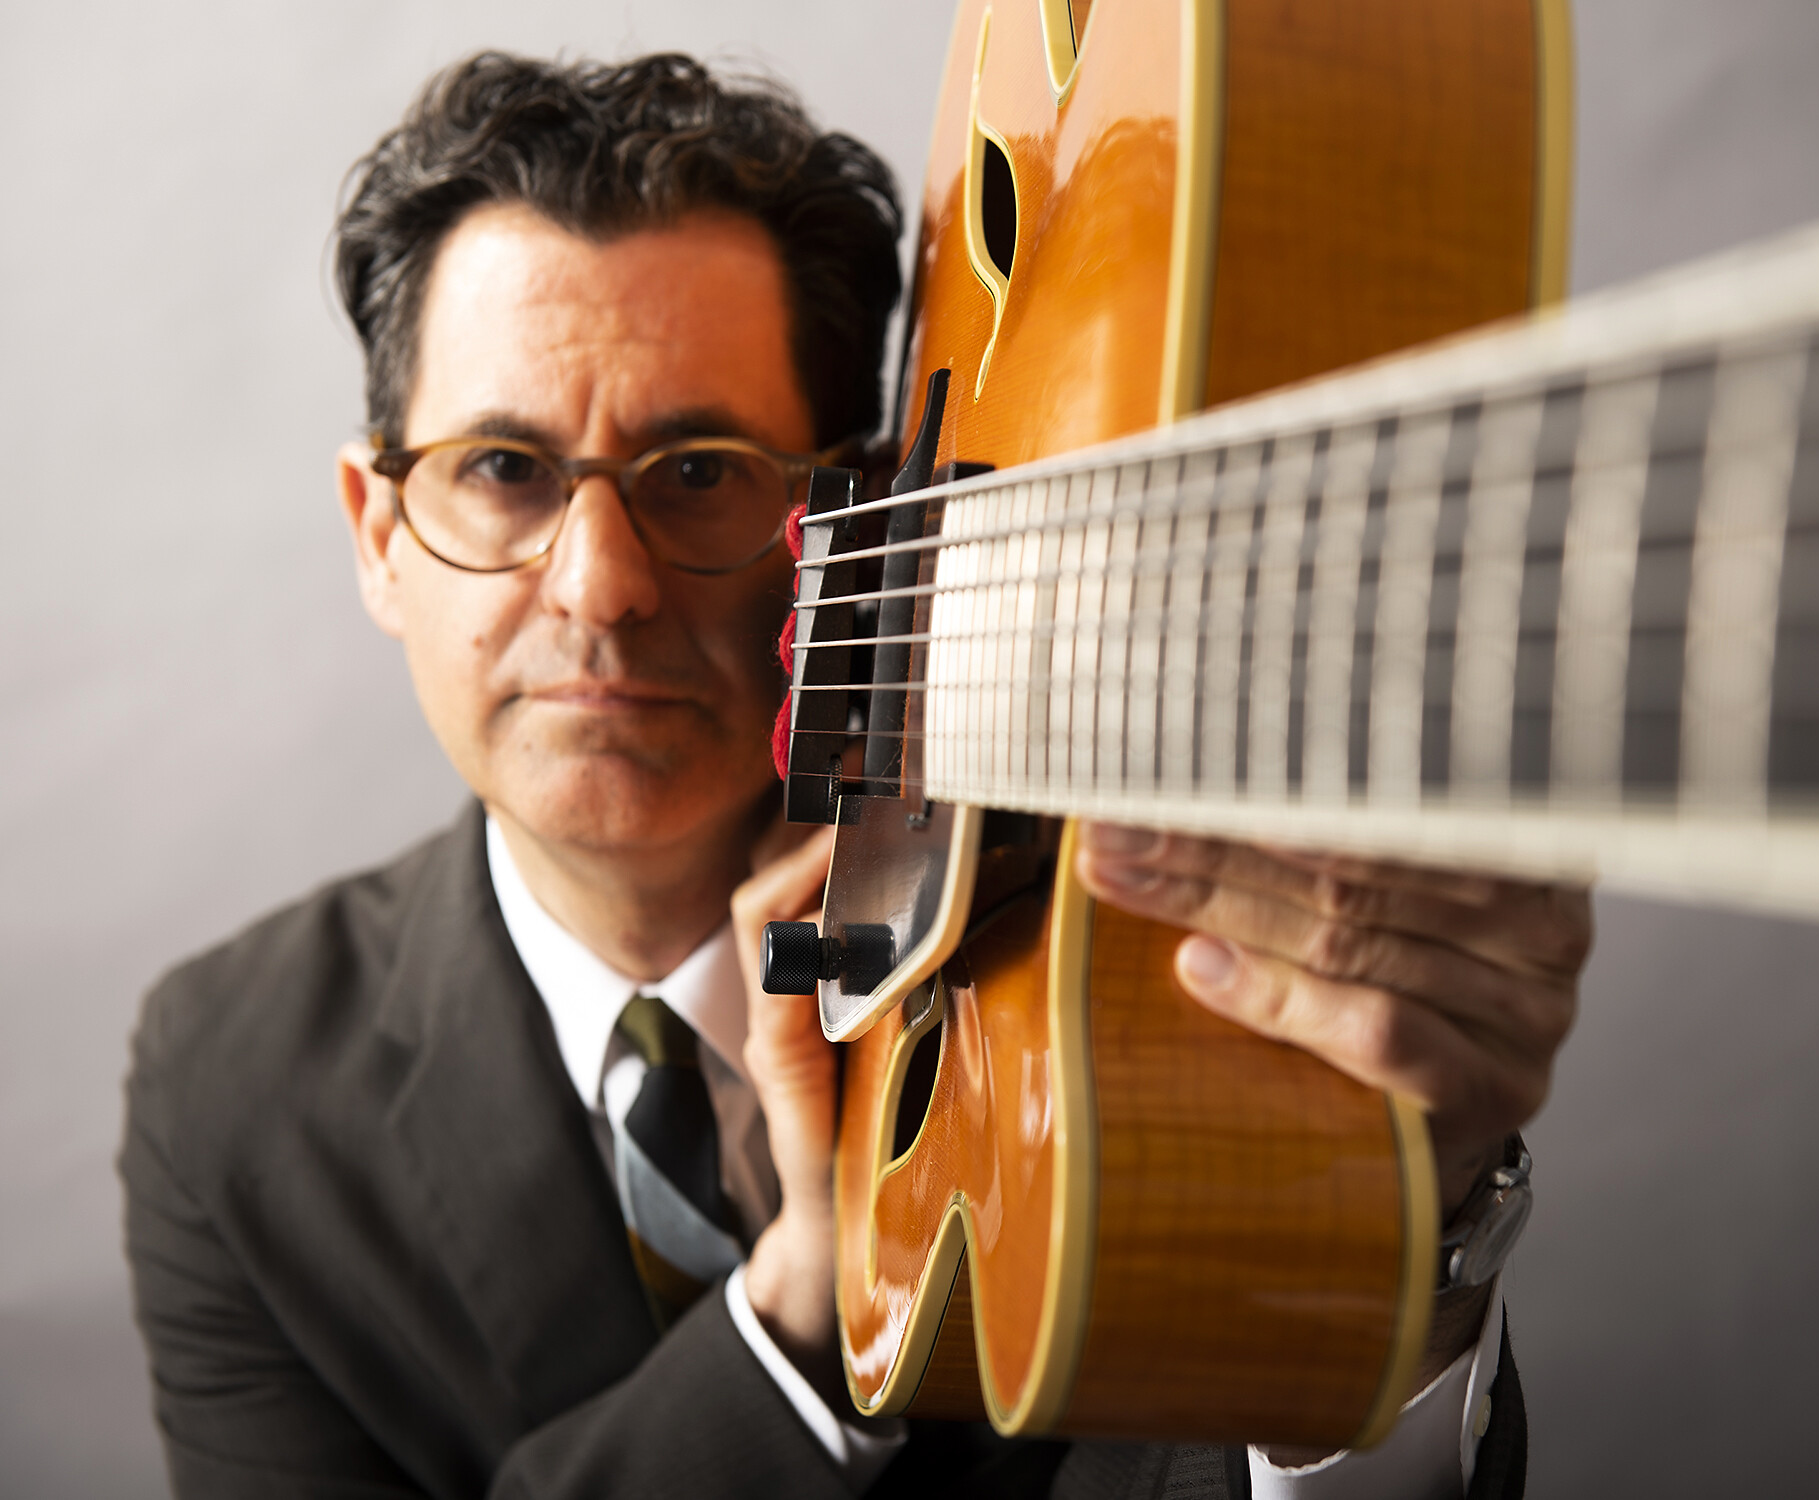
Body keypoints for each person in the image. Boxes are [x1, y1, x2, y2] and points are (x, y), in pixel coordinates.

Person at [120, 52, 1588, 1499]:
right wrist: (797, 1327)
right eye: (504, 469)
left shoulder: (1139, 950)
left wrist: (1406, 1248)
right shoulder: (226, 1084)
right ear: (379, 533)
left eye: (700, 470)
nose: (600, 585)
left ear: (861, 529)